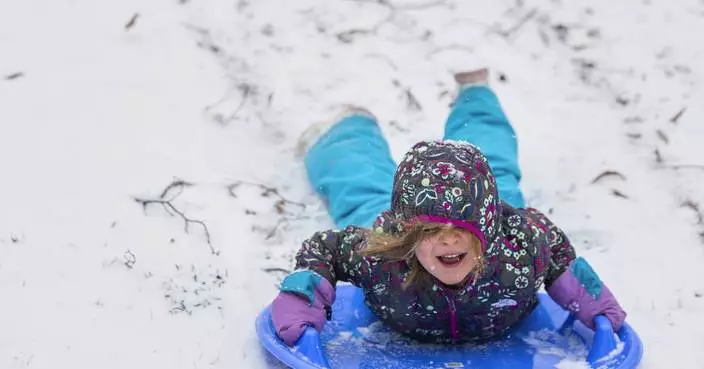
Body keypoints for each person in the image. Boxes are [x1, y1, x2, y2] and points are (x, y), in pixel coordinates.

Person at [271, 68, 626, 346]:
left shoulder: (520, 245)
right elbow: (326, 249)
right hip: (403, 238)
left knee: (497, 166)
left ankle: (476, 95)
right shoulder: (381, 257)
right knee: (361, 189)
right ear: (411, 231)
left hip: (488, 212)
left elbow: (557, 252)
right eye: (433, 231)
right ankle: (346, 129)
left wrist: (590, 301)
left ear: (486, 227)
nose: (449, 241)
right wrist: (305, 293)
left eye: (462, 229)